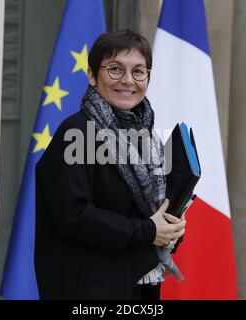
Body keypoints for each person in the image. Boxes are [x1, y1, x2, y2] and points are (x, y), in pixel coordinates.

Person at [34, 29, 186, 300]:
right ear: (92, 75)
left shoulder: (148, 139)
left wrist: (172, 225)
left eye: (139, 71)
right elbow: (73, 215)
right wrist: (148, 230)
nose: (128, 80)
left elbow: (150, 214)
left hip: (140, 288)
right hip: (86, 291)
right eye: (115, 69)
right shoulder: (75, 133)